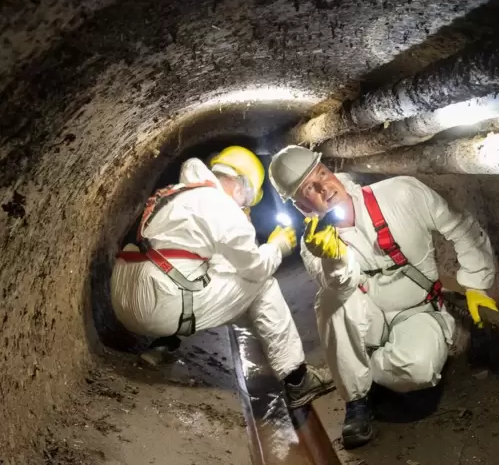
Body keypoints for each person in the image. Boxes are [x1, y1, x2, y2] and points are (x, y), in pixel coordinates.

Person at [268, 145, 499, 447]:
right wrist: (334, 258)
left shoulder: (401, 194)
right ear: (301, 206)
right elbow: (341, 287)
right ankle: (356, 399)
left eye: (321, 174)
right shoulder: (313, 246)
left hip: (418, 310)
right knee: (330, 301)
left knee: (419, 371)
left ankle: (352, 371)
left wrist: (477, 284)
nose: (323, 188)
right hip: (370, 319)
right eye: (309, 188)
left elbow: (460, 227)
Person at [111, 146, 334, 408]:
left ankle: (163, 344)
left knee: (203, 271)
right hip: (157, 308)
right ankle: (298, 380)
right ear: (242, 188)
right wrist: (277, 246)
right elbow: (256, 270)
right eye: (247, 200)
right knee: (263, 285)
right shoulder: (223, 209)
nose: (244, 206)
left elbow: (222, 265)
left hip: (123, 300)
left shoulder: (178, 193)